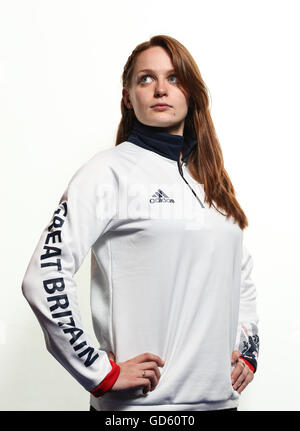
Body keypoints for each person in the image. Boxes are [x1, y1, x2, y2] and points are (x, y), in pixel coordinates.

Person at [21, 34, 259, 412]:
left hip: (220, 403)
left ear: (191, 93)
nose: (161, 89)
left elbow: (240, 275)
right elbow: (45, 274)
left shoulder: (211, 182)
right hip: (142, 409)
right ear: (128, 97)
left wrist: (248, 349)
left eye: (174, 78)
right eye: (146, 78)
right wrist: (99, 372)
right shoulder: (107, 172)